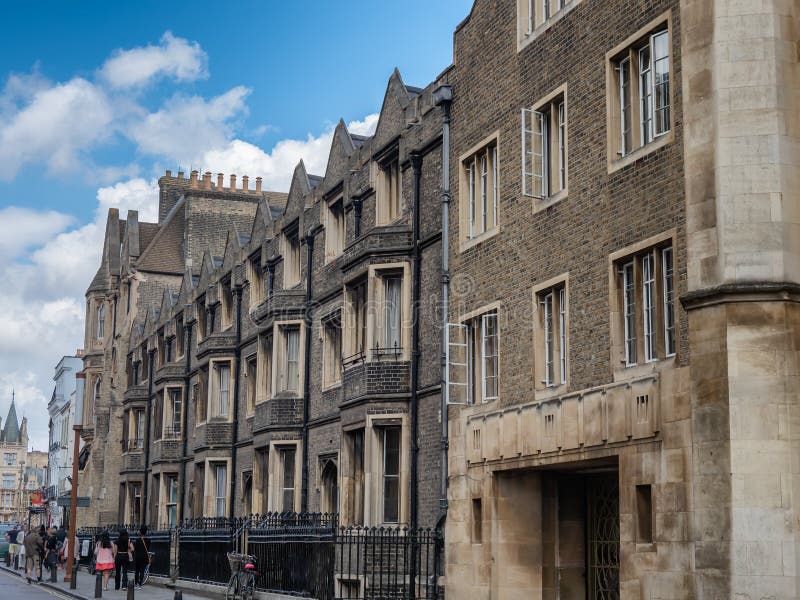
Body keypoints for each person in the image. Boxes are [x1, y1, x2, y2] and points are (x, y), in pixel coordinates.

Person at [132, 525, 151, 590]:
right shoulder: (148, 540)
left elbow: (135, 549)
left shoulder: (137, 540)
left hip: (138, 557)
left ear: (140, 531)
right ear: (146, 531)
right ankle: (140, 585)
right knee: (142, 571)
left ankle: (136, 584)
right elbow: (148, 549)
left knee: (137, 571)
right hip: (145, 557)